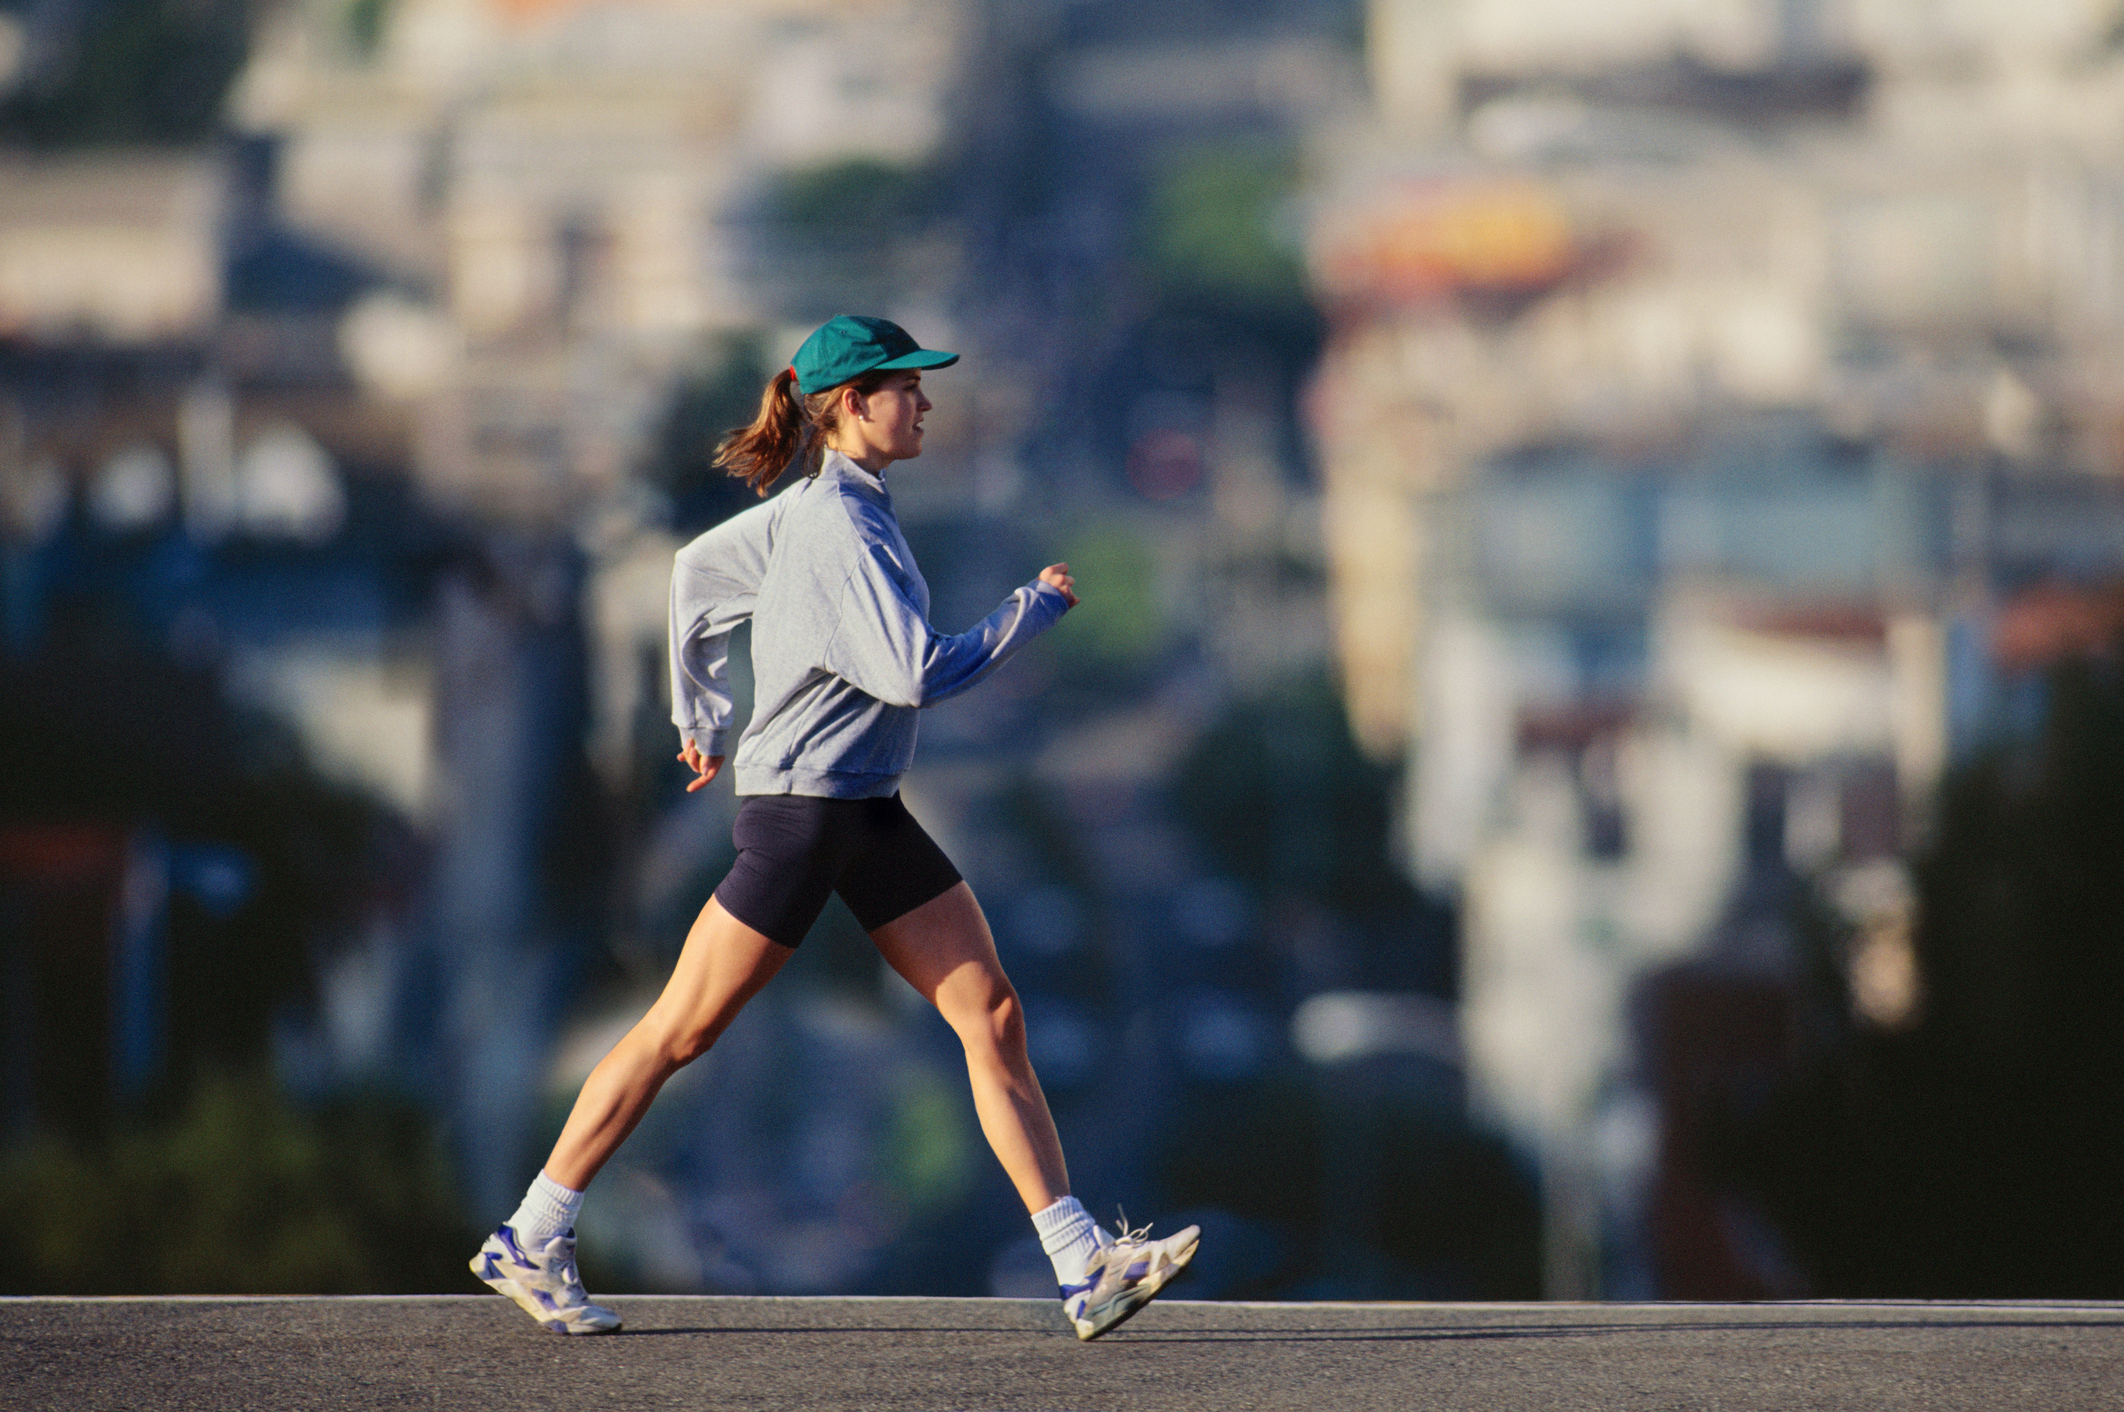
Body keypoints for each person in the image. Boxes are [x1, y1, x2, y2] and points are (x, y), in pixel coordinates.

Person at [470, 315, 1198, 1340]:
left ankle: (1084, 1264)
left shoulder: (824, 508)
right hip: (807, 818)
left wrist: (701, 717)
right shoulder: (837, 528)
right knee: (680, 1029)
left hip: (866, 809)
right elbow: (914, 671)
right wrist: (1027, 611)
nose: (927, 402)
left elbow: (692, 574)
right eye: (908, 386)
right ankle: (531, 1234)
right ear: (852, 403)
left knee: (990, 1013)